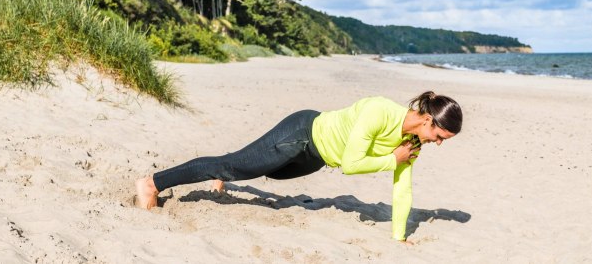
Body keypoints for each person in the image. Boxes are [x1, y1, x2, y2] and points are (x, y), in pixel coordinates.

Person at [135, 91, 463, 243]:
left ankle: (226, 176)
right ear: (425, 117)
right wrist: (392, 159)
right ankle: (153, 183)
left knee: (267, 171)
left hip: (316, 159)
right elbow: (351, 165)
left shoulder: (413, 144)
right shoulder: (380, 112)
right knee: (234, 165)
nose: (438, 142)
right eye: (439, 134)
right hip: (302, 134)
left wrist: (398, 238)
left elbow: (402, 187)